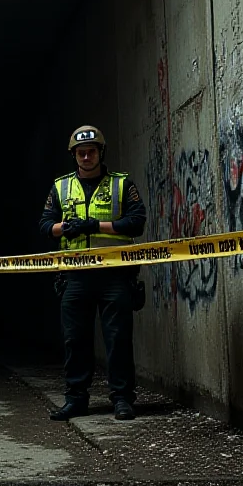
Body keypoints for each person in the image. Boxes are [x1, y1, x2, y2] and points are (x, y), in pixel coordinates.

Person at [38, 125, 146, 421]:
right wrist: (65, 227)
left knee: (118, 339)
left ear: (101, 153)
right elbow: (45, 225)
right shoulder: (60, 187)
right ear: (74, 155)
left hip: (114, 274)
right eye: (81, 153)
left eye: (91, 151)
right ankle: (76, 400)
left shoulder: (121, 184)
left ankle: (122, 399)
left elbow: (137, 222)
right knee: (75, 341)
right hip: (75, 276)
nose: (86, 157)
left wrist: (95, 226)